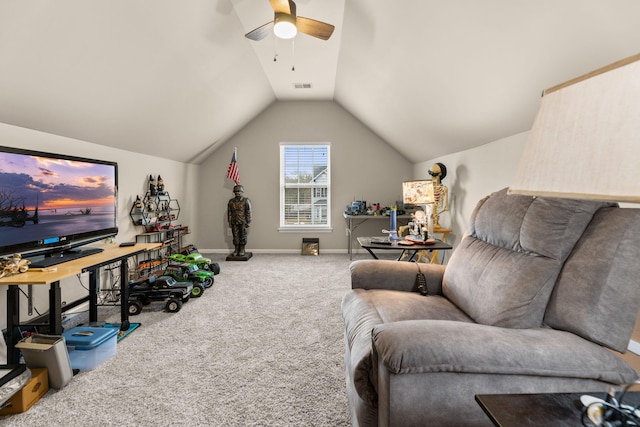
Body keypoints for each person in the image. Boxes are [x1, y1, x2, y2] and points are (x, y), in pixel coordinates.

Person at [227, 184, 252, 257]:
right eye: (235, 191)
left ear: (242, 191)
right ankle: (236, 249)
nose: (237, 193)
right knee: (235, 235)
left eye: (239, 191)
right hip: (234, 221)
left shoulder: (246, 200)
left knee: (243, 235)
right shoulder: (231, 201)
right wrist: (229, 221)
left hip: (243, 221)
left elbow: (248, 211)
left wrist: (248, 221)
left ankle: (242, 249)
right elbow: (229, 213)